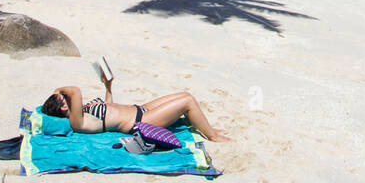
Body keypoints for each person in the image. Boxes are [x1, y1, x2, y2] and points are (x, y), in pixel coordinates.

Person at [40, 69, 230, 142]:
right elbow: (74, 90)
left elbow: (108, 108)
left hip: (141, 108)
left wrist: (108, 86)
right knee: (187, 102)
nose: (67, 97)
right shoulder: (77, 122)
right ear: (64, 107)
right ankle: (213, 136)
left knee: (185, 95)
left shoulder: (84, 112)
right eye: (63, 98)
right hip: (140, 121)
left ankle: (207, 128)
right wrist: (58, 90)